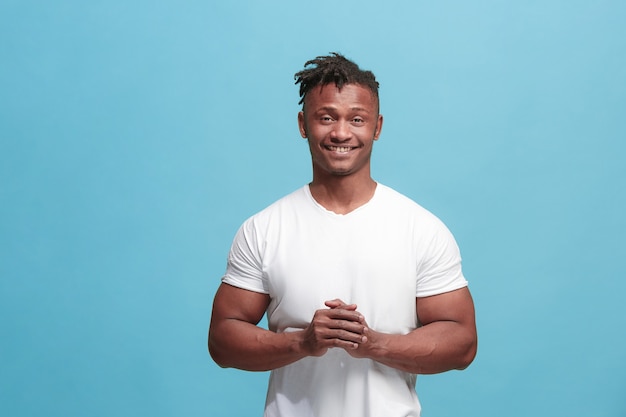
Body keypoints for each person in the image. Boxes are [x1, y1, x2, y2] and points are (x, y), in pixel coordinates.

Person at [208, 52, 477, 417]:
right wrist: (302, 343)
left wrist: (373, 344)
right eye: (326, 117)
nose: (341, 132)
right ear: (303, 124)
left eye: (357, 119)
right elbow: (222, 341)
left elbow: (462, 344)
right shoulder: (264, 229)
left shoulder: (421, 229)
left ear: (377, 127)